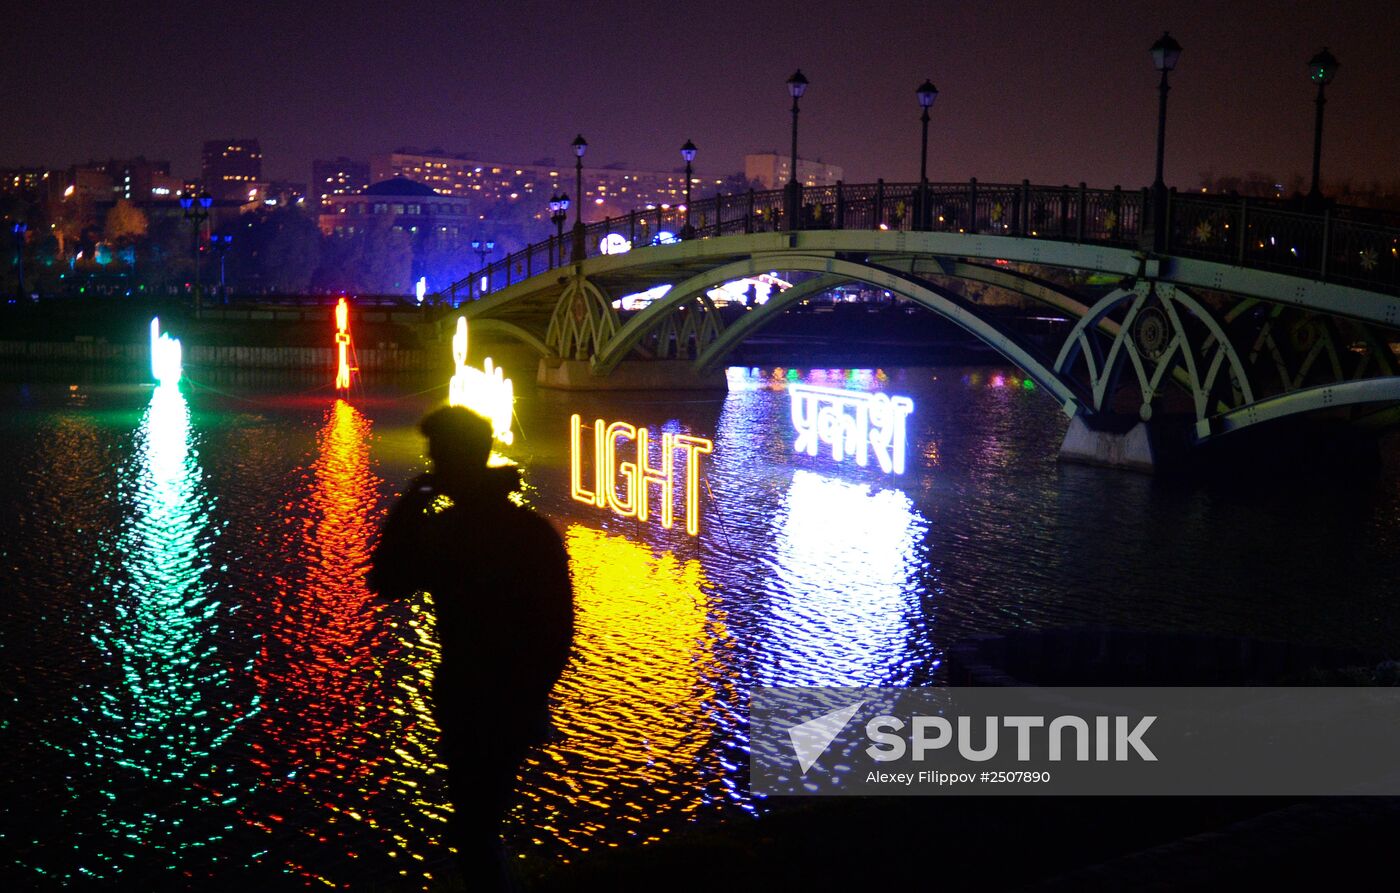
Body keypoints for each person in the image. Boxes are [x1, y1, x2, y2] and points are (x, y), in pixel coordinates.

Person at [368, 406, 574, 888]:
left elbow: (386, 580)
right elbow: (559, 628)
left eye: (437, 456)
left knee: (473, 824)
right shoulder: (531, 531)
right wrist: (534, 694)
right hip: (510, 698)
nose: (432, 466)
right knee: (484, 818)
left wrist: (407, 508)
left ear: (453, 460)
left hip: (472, 697)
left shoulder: (450, 534)